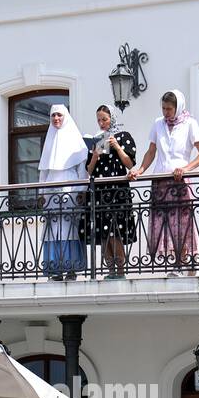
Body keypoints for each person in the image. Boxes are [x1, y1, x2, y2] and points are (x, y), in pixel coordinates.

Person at [129, 89, 199, 276]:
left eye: (169, 109)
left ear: (178, 107)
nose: (166, 112)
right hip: (160, 182)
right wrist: (140, 170)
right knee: (165, 225)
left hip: (179, 182)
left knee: (181, 224)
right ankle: (180, 263)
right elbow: (151, 152)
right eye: (163, 108)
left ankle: (181, 264)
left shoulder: (190, 123)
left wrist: (186, 168)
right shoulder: (158, 123)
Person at [82, 104, 137, 279]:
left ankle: (120, 271)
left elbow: (130, 164)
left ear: (111, 118)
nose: (101, 123)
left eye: (104, 119)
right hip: (100, 192)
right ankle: (110, 270)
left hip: (117, 192)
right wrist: (95, 155)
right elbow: (89, 170)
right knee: (103, 232)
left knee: (115, 231)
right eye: (98, 120)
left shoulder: (123, 136)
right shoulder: (97, 139)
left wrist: (117, 146)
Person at [38, 104, 88, 281]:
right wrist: (41, 193)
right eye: (53, 115)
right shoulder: (49, 140)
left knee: (69, 229)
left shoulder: (76, 140)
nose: (56, 118)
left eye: (59, 115)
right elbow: (44, 171)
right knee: (52, 230)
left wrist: (82, 191)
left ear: (65, 116)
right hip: (51, 191)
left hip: (71, 190)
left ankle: (71, 268)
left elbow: (82, 170)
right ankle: (55, 270)